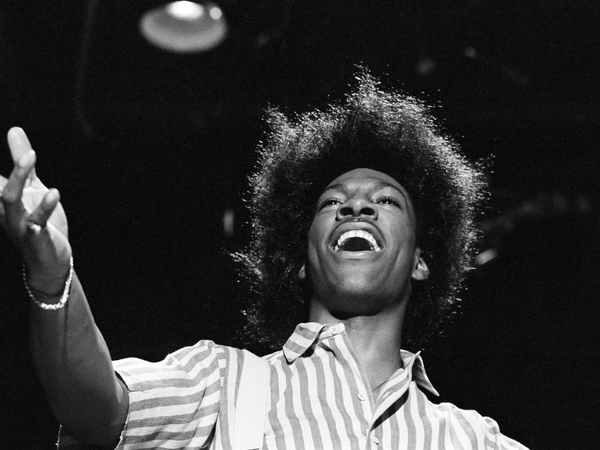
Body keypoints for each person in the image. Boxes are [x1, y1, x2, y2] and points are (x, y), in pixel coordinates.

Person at [0, 72, 528, 449]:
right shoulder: (224, 382)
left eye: (386, 200)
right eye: (331, 202)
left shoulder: (471, 438)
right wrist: (52, 278)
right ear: (300, 260)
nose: (356, 205)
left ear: (420, 261)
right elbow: (98, 411)